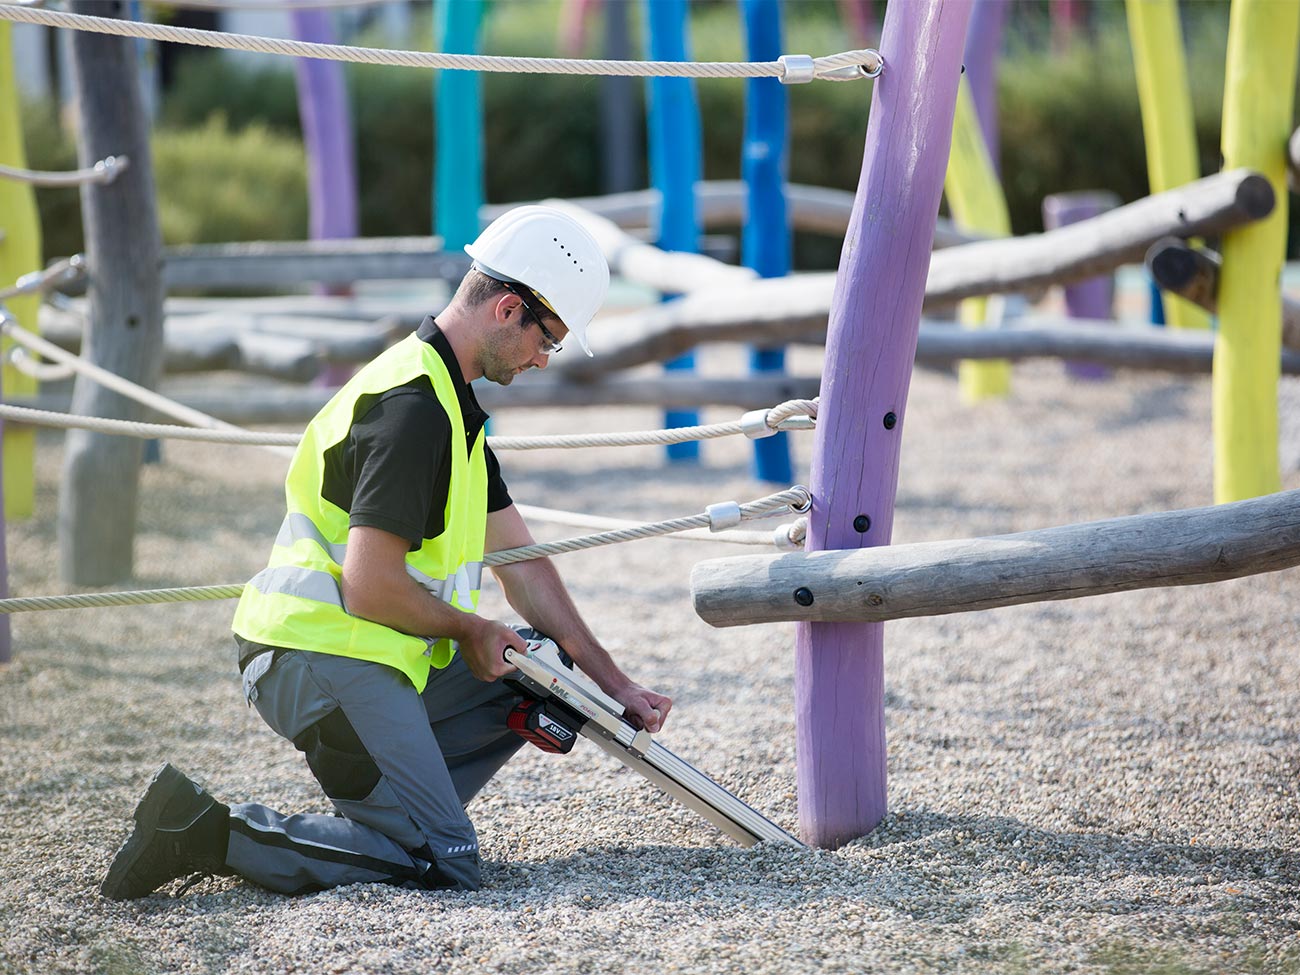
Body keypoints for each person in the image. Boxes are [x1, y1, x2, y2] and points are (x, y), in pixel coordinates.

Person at [100, 205, 673, 899]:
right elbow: (371, 587)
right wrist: (470, 627)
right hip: (315, 654)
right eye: (547, 339)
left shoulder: (454, 407)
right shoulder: (413, 408)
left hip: (366, 654)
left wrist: (610, 681)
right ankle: (204, 831)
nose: (543, 359)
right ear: (509, 308)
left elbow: (525, 567)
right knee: (448, 861)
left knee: (540, 669)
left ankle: (398, 819)